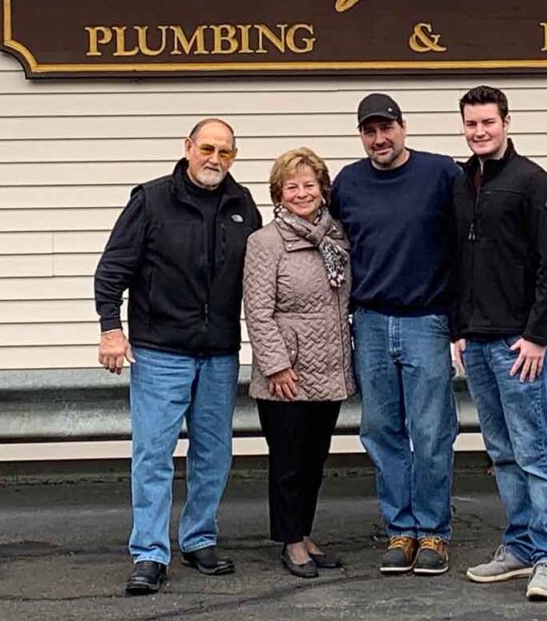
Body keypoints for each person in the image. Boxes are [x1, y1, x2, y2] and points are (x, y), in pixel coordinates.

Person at [94, 118, 262, 596]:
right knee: (153, 455)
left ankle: (199, 538)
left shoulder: (242, 204)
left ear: (234, 156)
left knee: (214, 452)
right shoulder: (150, 200)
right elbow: (111, 271)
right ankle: (149, 553)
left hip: (219, 352)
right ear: (187, 147)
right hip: (161, 350)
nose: (215, 159)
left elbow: (261, 274)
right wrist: (111, 328)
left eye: (225, 152)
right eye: (206, 148)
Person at [330, 92, 460, 576]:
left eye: (386, 128)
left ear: (404, 128)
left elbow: (468, 236)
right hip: (369, 321)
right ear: (362, 136)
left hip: (426, 320)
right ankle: (399, 530)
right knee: (381, 430)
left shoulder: (440, 174)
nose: (379, 139)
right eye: (369, 131)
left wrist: (462, 320)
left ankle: (433, 532)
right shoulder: (348, 182)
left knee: (430, 431)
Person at [450, 85, 547, 601]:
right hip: (476, 344)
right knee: (501, 452)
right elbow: (456, 261)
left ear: (506, 122)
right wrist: (459, 328)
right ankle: (519, 546)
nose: (480, 132)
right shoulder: (463, 182)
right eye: (471, 124)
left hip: (518, 348)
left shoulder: (531, 182)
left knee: (534, 451)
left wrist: (536, 336)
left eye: (488, 123)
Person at [242, 147, 355, 579]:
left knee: (314, 459)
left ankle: (304, 532)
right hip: (287, 372)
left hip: (329, 367)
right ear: (278, 193)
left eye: (310, 184)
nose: (302, 193)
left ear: (323, 189)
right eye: (293, 186)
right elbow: (258, 309)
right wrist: (275, 365)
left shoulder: (336, 238)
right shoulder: (264, 242)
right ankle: (290, 541)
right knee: (288, 462)